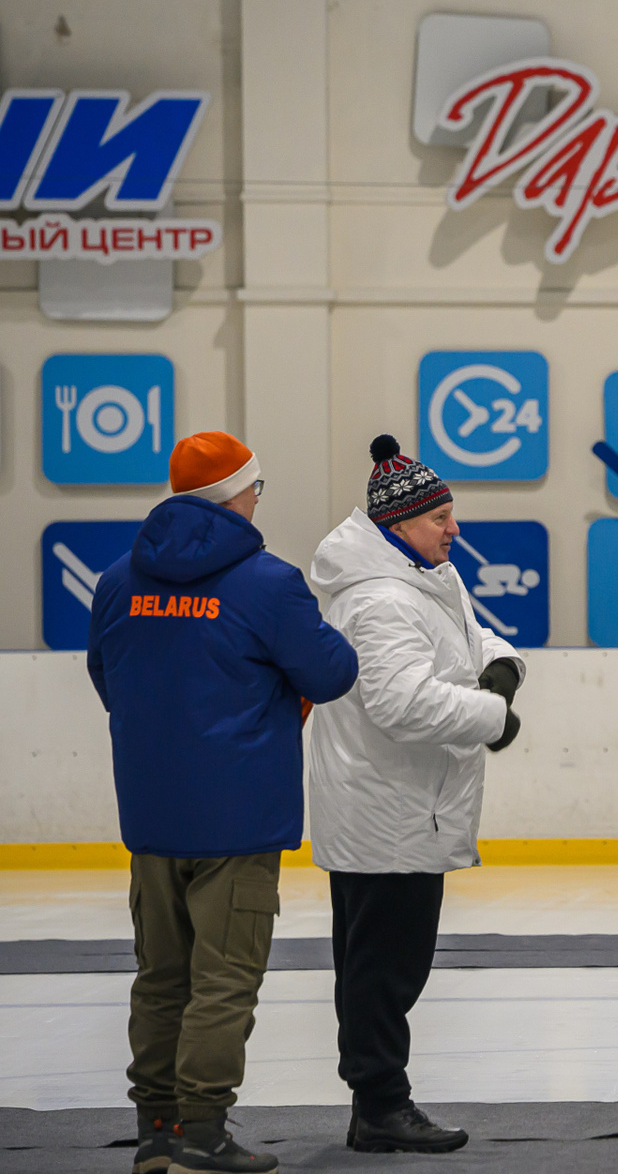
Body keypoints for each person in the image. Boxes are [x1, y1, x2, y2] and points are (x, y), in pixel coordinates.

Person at [86, 431, 358, 1174]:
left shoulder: (117, 581)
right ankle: (202, 1131)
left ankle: (157, 1130)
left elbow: (106, 675)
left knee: (161, 976)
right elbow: (331, 673)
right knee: (225, 978)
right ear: (240, 495)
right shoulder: (268, 583)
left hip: (152, 814)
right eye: (256, 488)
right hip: (240, 817)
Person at [307, 436, 527, 1155]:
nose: (453, 528)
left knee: (384, 965)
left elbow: (467, 637)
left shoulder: (423, 576)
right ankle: (380, 1105)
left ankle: (375, 1104)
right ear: (399, 524)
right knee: (384, 970)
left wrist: (501, 665)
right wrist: (493, 717)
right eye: (440, 518)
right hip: (387, 815)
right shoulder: (380, 601)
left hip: (398, 810)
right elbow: (402, 704)